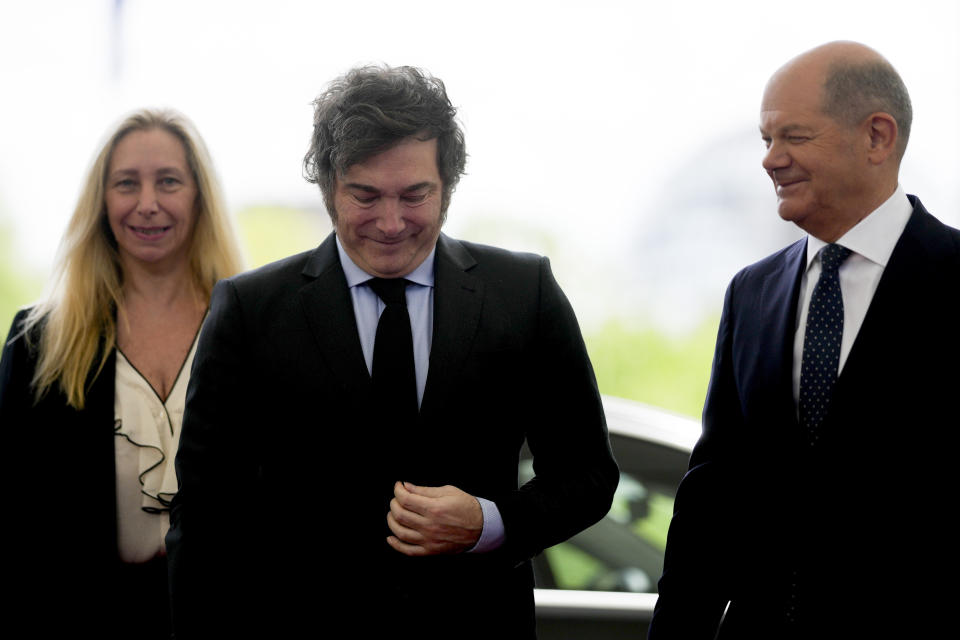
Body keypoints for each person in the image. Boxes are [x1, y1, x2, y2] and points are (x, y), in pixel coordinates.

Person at [166, 64, 619, 639]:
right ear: (329, 185)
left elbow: (588, 473)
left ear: (448, 187)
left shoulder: (522, 293)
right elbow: (206, 519)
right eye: (365, 195)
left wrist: (490, 522)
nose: (390, 222)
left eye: (415, 195)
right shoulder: (251, 311)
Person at [649, 41, 960, 639]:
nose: (770, 160)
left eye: (793, 136)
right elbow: (714, 494)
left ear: (877, 136)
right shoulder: (752, 293)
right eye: (766, 140)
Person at [0, 108, 244, 638]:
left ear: (200, 197)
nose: (148, 204)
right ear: (102, 201)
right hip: (83, 631)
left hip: (227, 633)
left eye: (169, 182)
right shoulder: (38, 342)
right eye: (127, 184)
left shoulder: (253, 331)